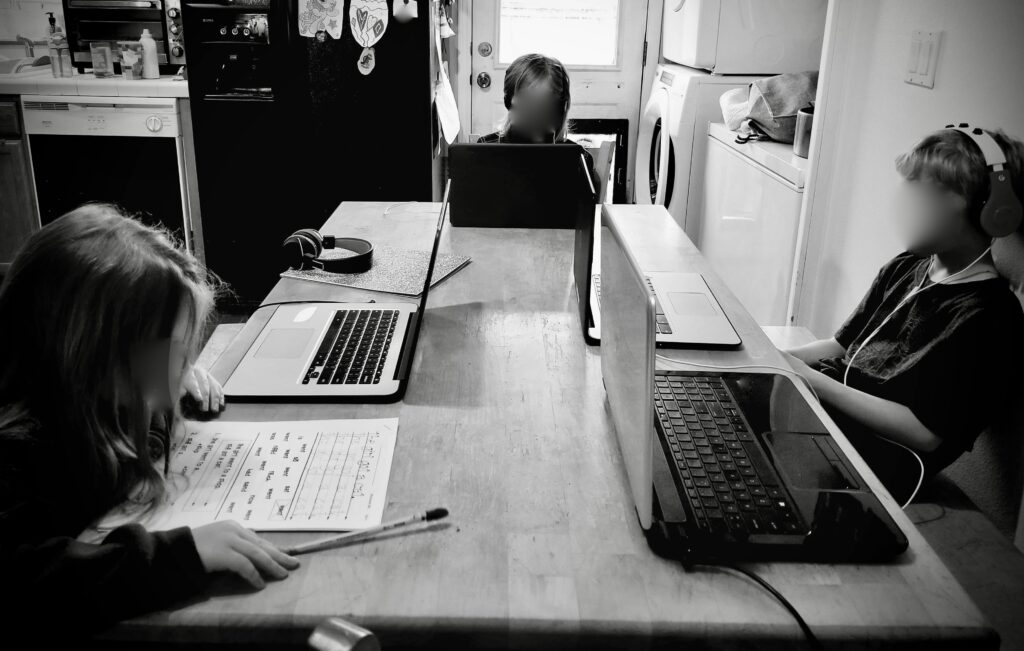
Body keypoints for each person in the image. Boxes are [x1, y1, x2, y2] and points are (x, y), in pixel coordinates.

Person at [0, 204, 299, 635]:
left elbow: (139, 428)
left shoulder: (98, 397)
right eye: (171, 356)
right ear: (91, 357)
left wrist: (163, 391)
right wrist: (179, 555)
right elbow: (29, 582)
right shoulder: (18, 449)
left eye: (183, 356)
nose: (183, 369)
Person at [782, 127, 1024, 504]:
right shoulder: (907, 267)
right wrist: (771, 359)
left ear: (989, 213)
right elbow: (840, 345)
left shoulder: (990, 315)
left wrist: (811, 379)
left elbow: (925, 433)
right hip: (825, 422)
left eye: (927, 193)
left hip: (877, 467)